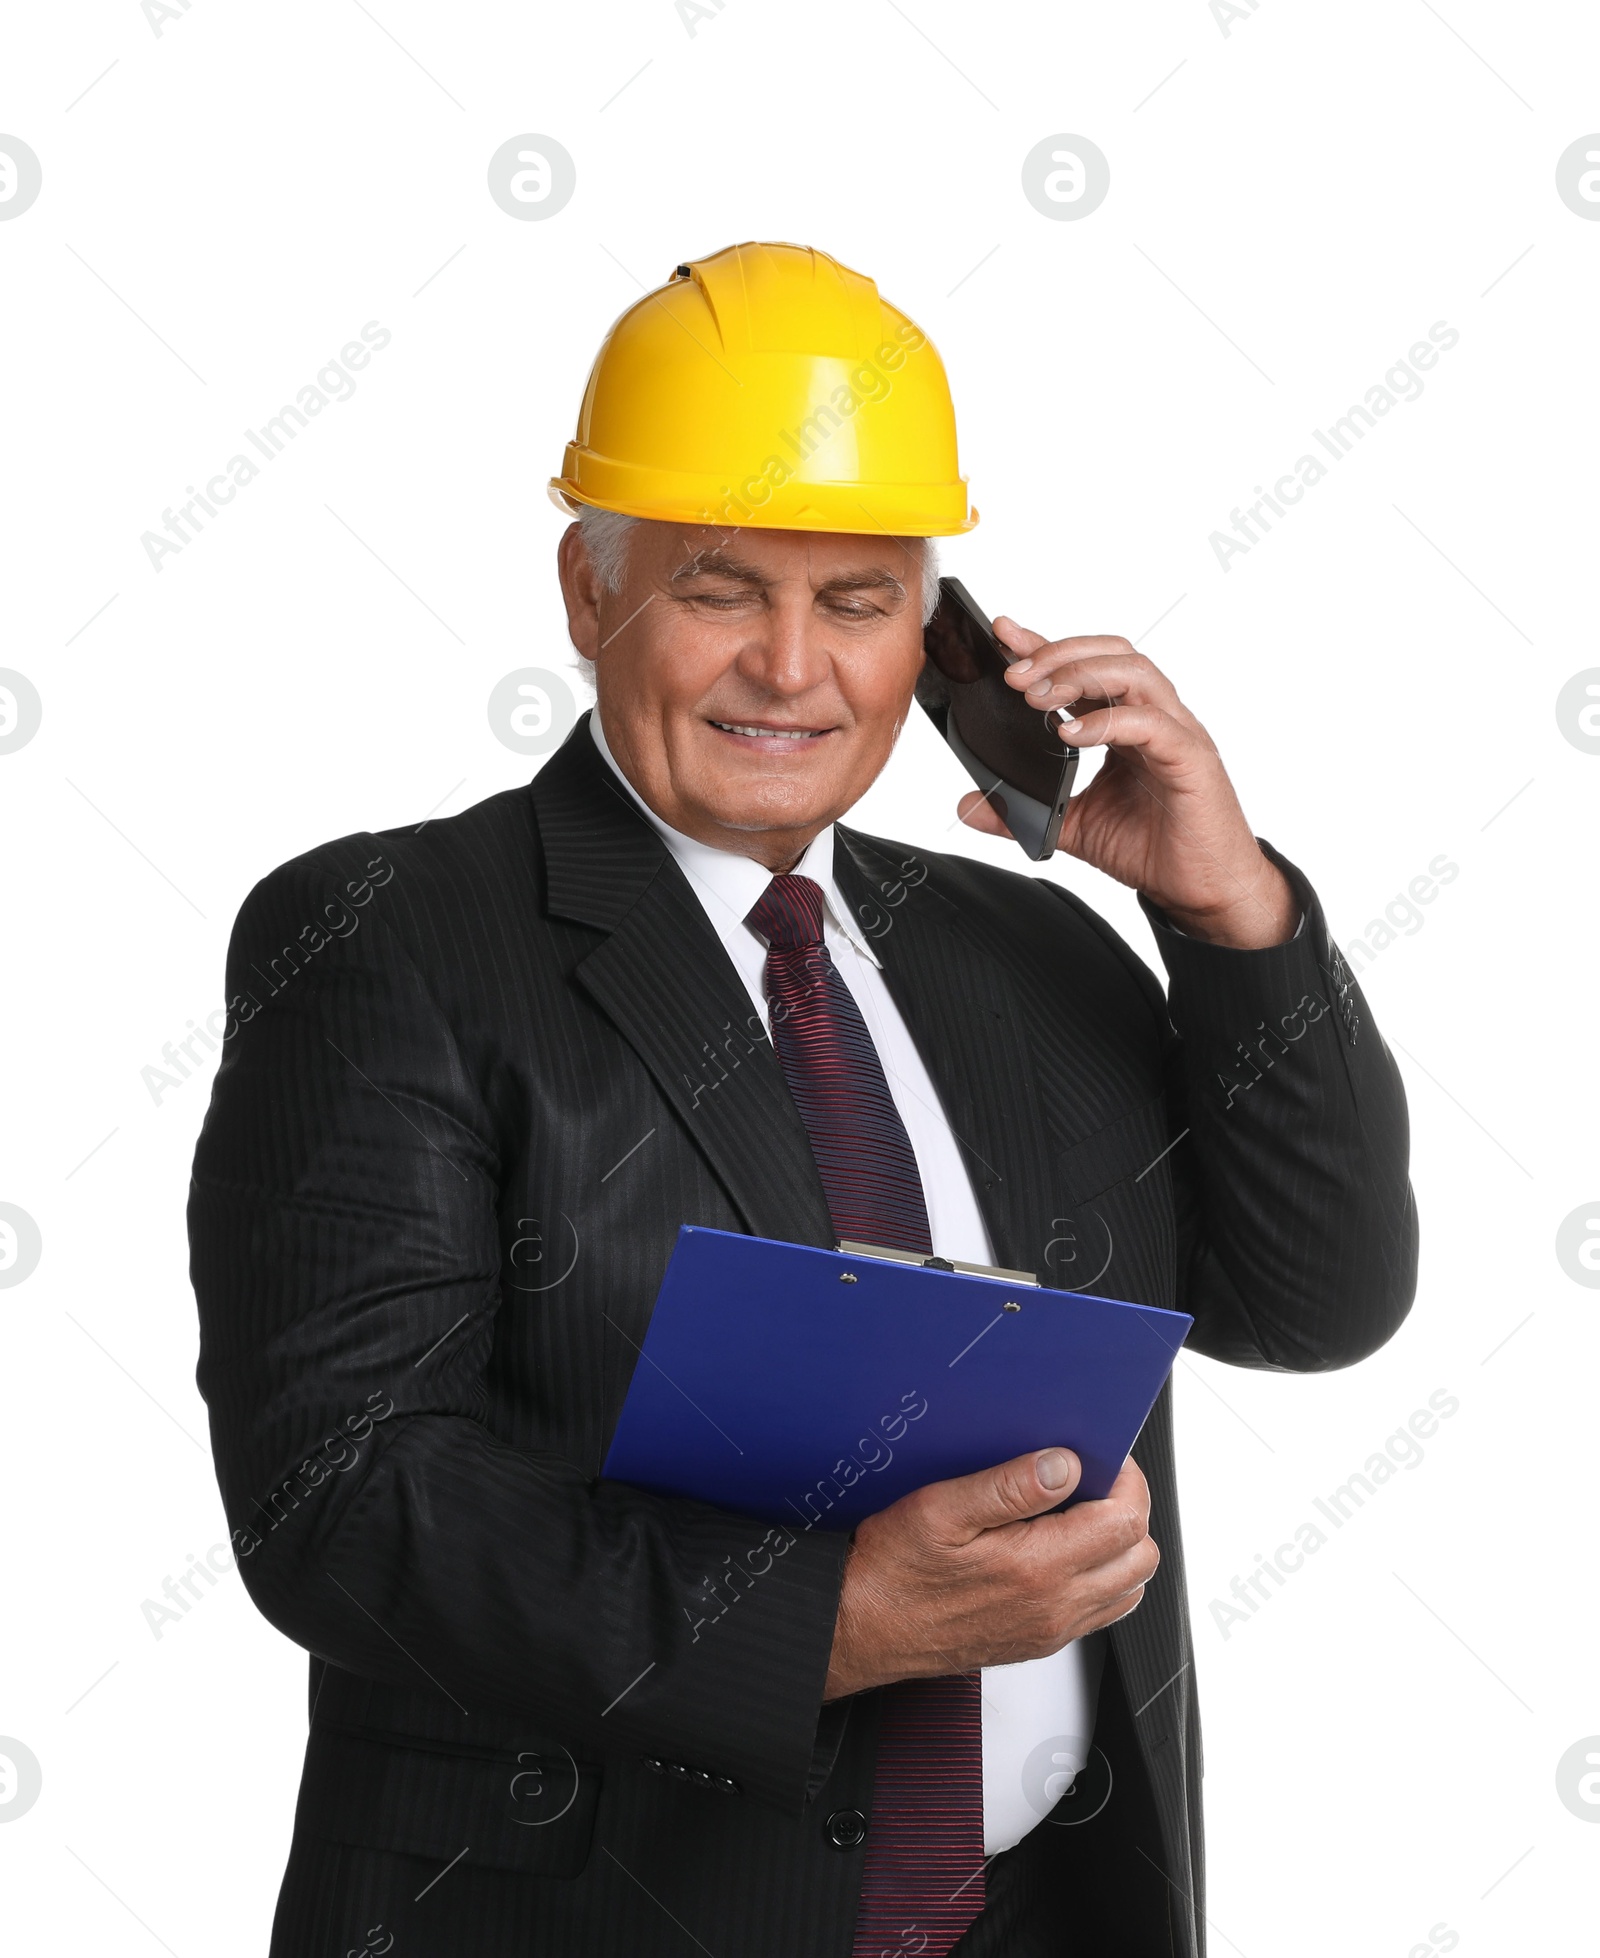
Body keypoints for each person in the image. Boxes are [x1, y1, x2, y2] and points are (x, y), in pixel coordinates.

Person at [189, 241, 1417, 1958]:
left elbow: (1316, 1302)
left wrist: (1231, 918)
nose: (790, 667)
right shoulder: (390, 940)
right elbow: (338, 1497)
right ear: (585, 589)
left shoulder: (1022, 949)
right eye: (717, 586)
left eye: (856, 601)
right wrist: (835, 1619)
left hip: (1047, 1916)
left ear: (940, 633)